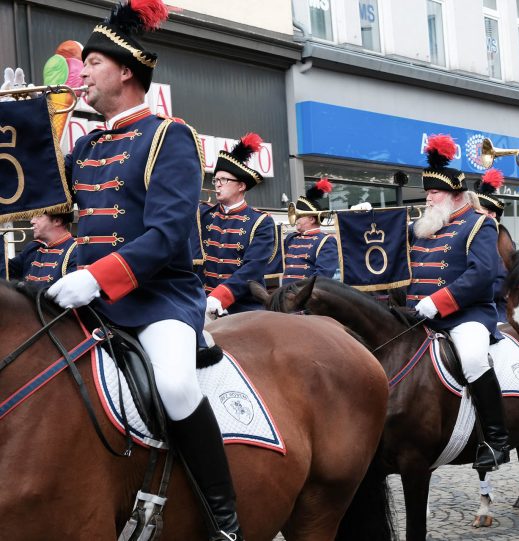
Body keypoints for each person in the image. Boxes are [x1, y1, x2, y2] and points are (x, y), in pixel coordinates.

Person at [43, 2, 243, 538]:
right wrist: (19, 119)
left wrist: (96, 276)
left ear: (125, 70)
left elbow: (166, 236)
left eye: (92, 64)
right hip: (92, 298)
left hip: (159, 296)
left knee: (176, 385)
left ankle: (223, 516)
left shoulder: (169, 135)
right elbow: (34, 193)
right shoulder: (85, 144)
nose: (81, 74)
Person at [408, 134, 509, 471]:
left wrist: (439, 301)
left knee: (474, 358)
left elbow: (482, 274)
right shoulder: (425, 226)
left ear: (454, 194)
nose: (428, 198)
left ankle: (497, 440)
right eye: (427, 192)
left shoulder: (480, 224)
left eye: (434, 192)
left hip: (466, 315)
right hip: (420, 315)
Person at [199, 133, 275, 318]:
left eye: (223, 180)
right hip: (201, 304)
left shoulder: (261, 222)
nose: (217, 185)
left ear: (241, 186)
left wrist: (221, 296)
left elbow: (253, 268)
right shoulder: (204, 215)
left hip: (244, 308)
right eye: (215, 180)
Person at [280, 178, 338, 285]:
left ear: (311, 219)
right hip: (286, 293)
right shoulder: (291, 238)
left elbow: (322, 276)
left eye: (299, 216)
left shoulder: (326, 241)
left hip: (307, 297)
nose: (296, 219)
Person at [475, 167, 509, 323]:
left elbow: (500, 285)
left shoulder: (501, 241)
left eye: (479, 211)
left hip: (495, 314)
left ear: (492, 214)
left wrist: (467, 294)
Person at [7, 211, 76, 286]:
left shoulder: (76, 250)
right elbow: (7, 270)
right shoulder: (33, 247)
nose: (32, 221)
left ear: (57, 221)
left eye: (38, 216)